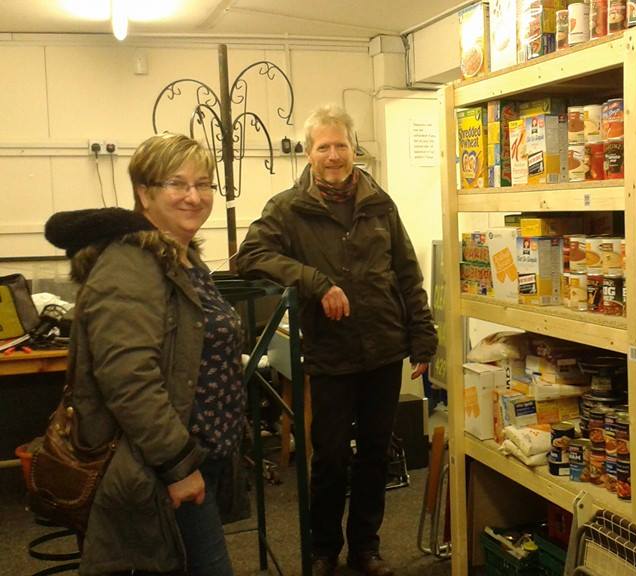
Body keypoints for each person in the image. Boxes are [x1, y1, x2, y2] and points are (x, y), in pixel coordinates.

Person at [236, 104, 438, 576]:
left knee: (374, 453)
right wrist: (314, 281)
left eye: (341, 145)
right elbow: (249, 256)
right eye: (323, 146)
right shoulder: (287, 208)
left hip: (384, 347)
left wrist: (422, 336)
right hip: (329, 352)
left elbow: (407, 274)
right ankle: (323, 548)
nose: (333, 155)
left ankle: (365, 548)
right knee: (328, 458)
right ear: (309, 153)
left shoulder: (379, 203)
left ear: (354, 149)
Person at [44, 133, 245, 576]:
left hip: (194, 461)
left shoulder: (182, 258)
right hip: (158, 470)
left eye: (204, 183)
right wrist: (177, 466)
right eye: (177, 184)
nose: (194, 197)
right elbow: (130, 381)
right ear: (144, 193)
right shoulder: (131, 264)